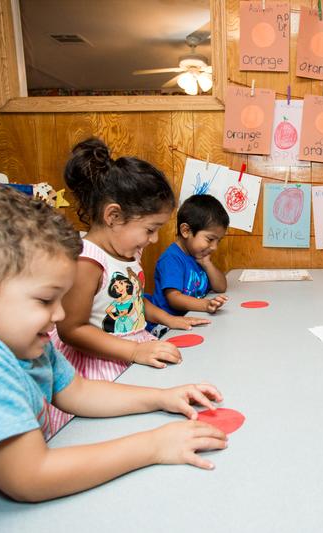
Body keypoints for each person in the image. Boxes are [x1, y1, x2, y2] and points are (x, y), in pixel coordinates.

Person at [0, 184, 228, 532]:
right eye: (45, 300)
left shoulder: (19, 337)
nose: (60, 315)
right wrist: (154, 445)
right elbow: (31, 476)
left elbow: (76, 391)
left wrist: (161, 397)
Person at [50, 138, 214, 428]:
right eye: (150, 229)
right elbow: (71, 330)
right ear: (113, 216)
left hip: (134, 348)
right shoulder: (87, 261)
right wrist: (134, 351)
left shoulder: (129, 252)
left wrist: (168, 320)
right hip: (100, 363)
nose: (153, 240)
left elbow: (134, 301)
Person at [150, 194, 229, 323]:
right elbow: (174, 298)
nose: (214, 247)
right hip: (167, 326)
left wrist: (207, 264)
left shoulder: (199, 255)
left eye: (218, 241)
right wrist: (205, 305)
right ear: (186, 230)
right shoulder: (171, 259)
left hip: (193, 318)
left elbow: (221, 287)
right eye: (210, 239)